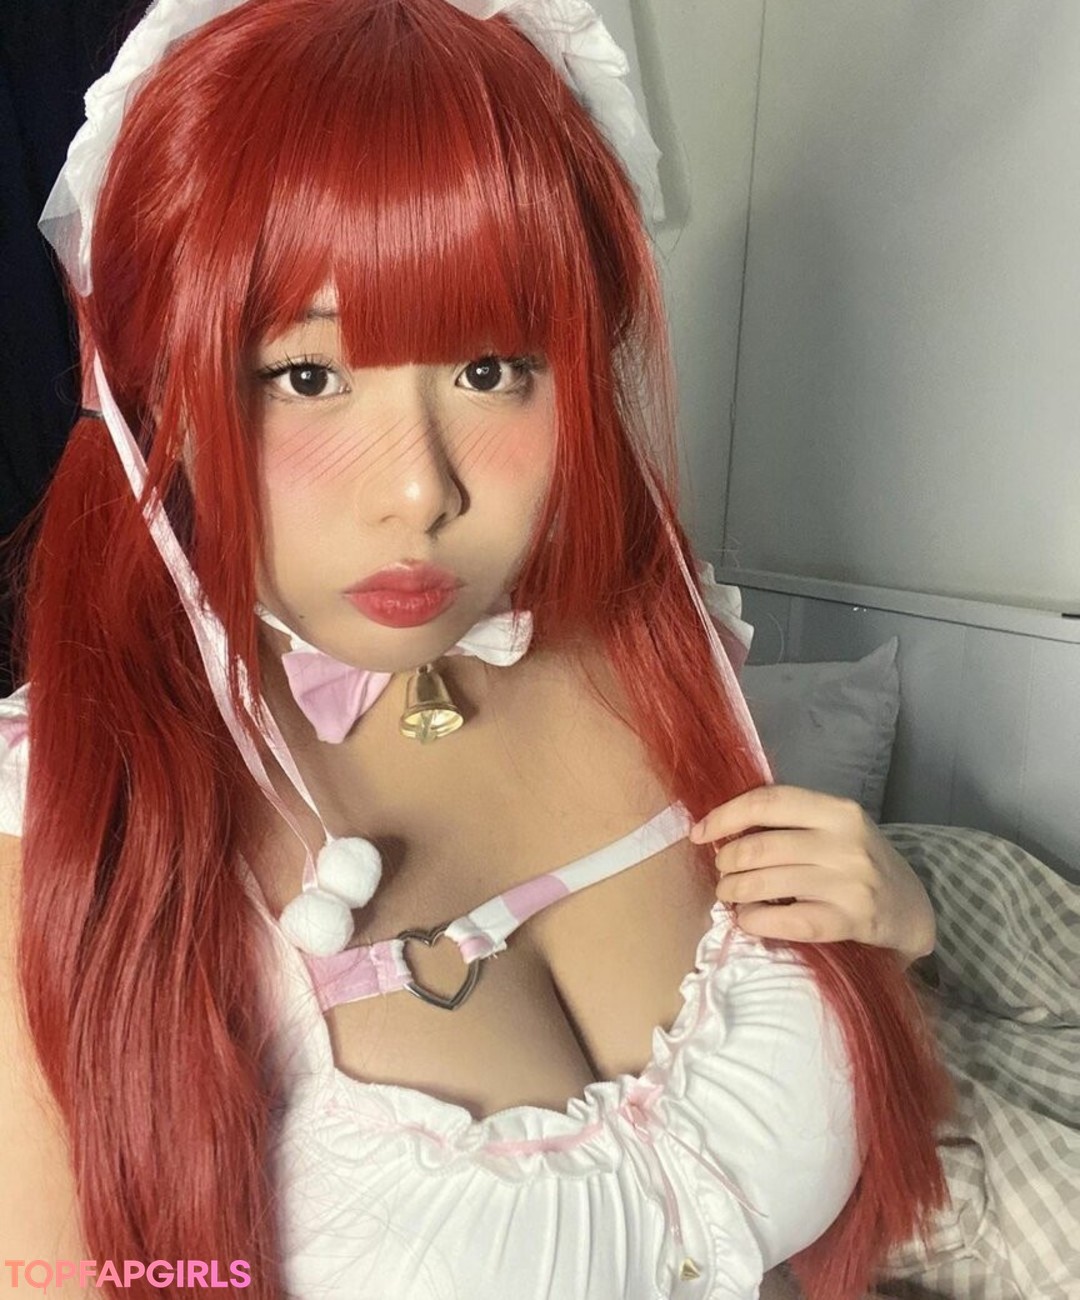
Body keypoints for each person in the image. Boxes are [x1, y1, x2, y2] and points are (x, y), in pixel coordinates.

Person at [0, 1, 949, 1297]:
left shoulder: (657, 659)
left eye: (494, 368)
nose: (421, 493)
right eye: (307, 376)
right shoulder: (64, 826)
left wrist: (893, 936)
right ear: (159, 384)